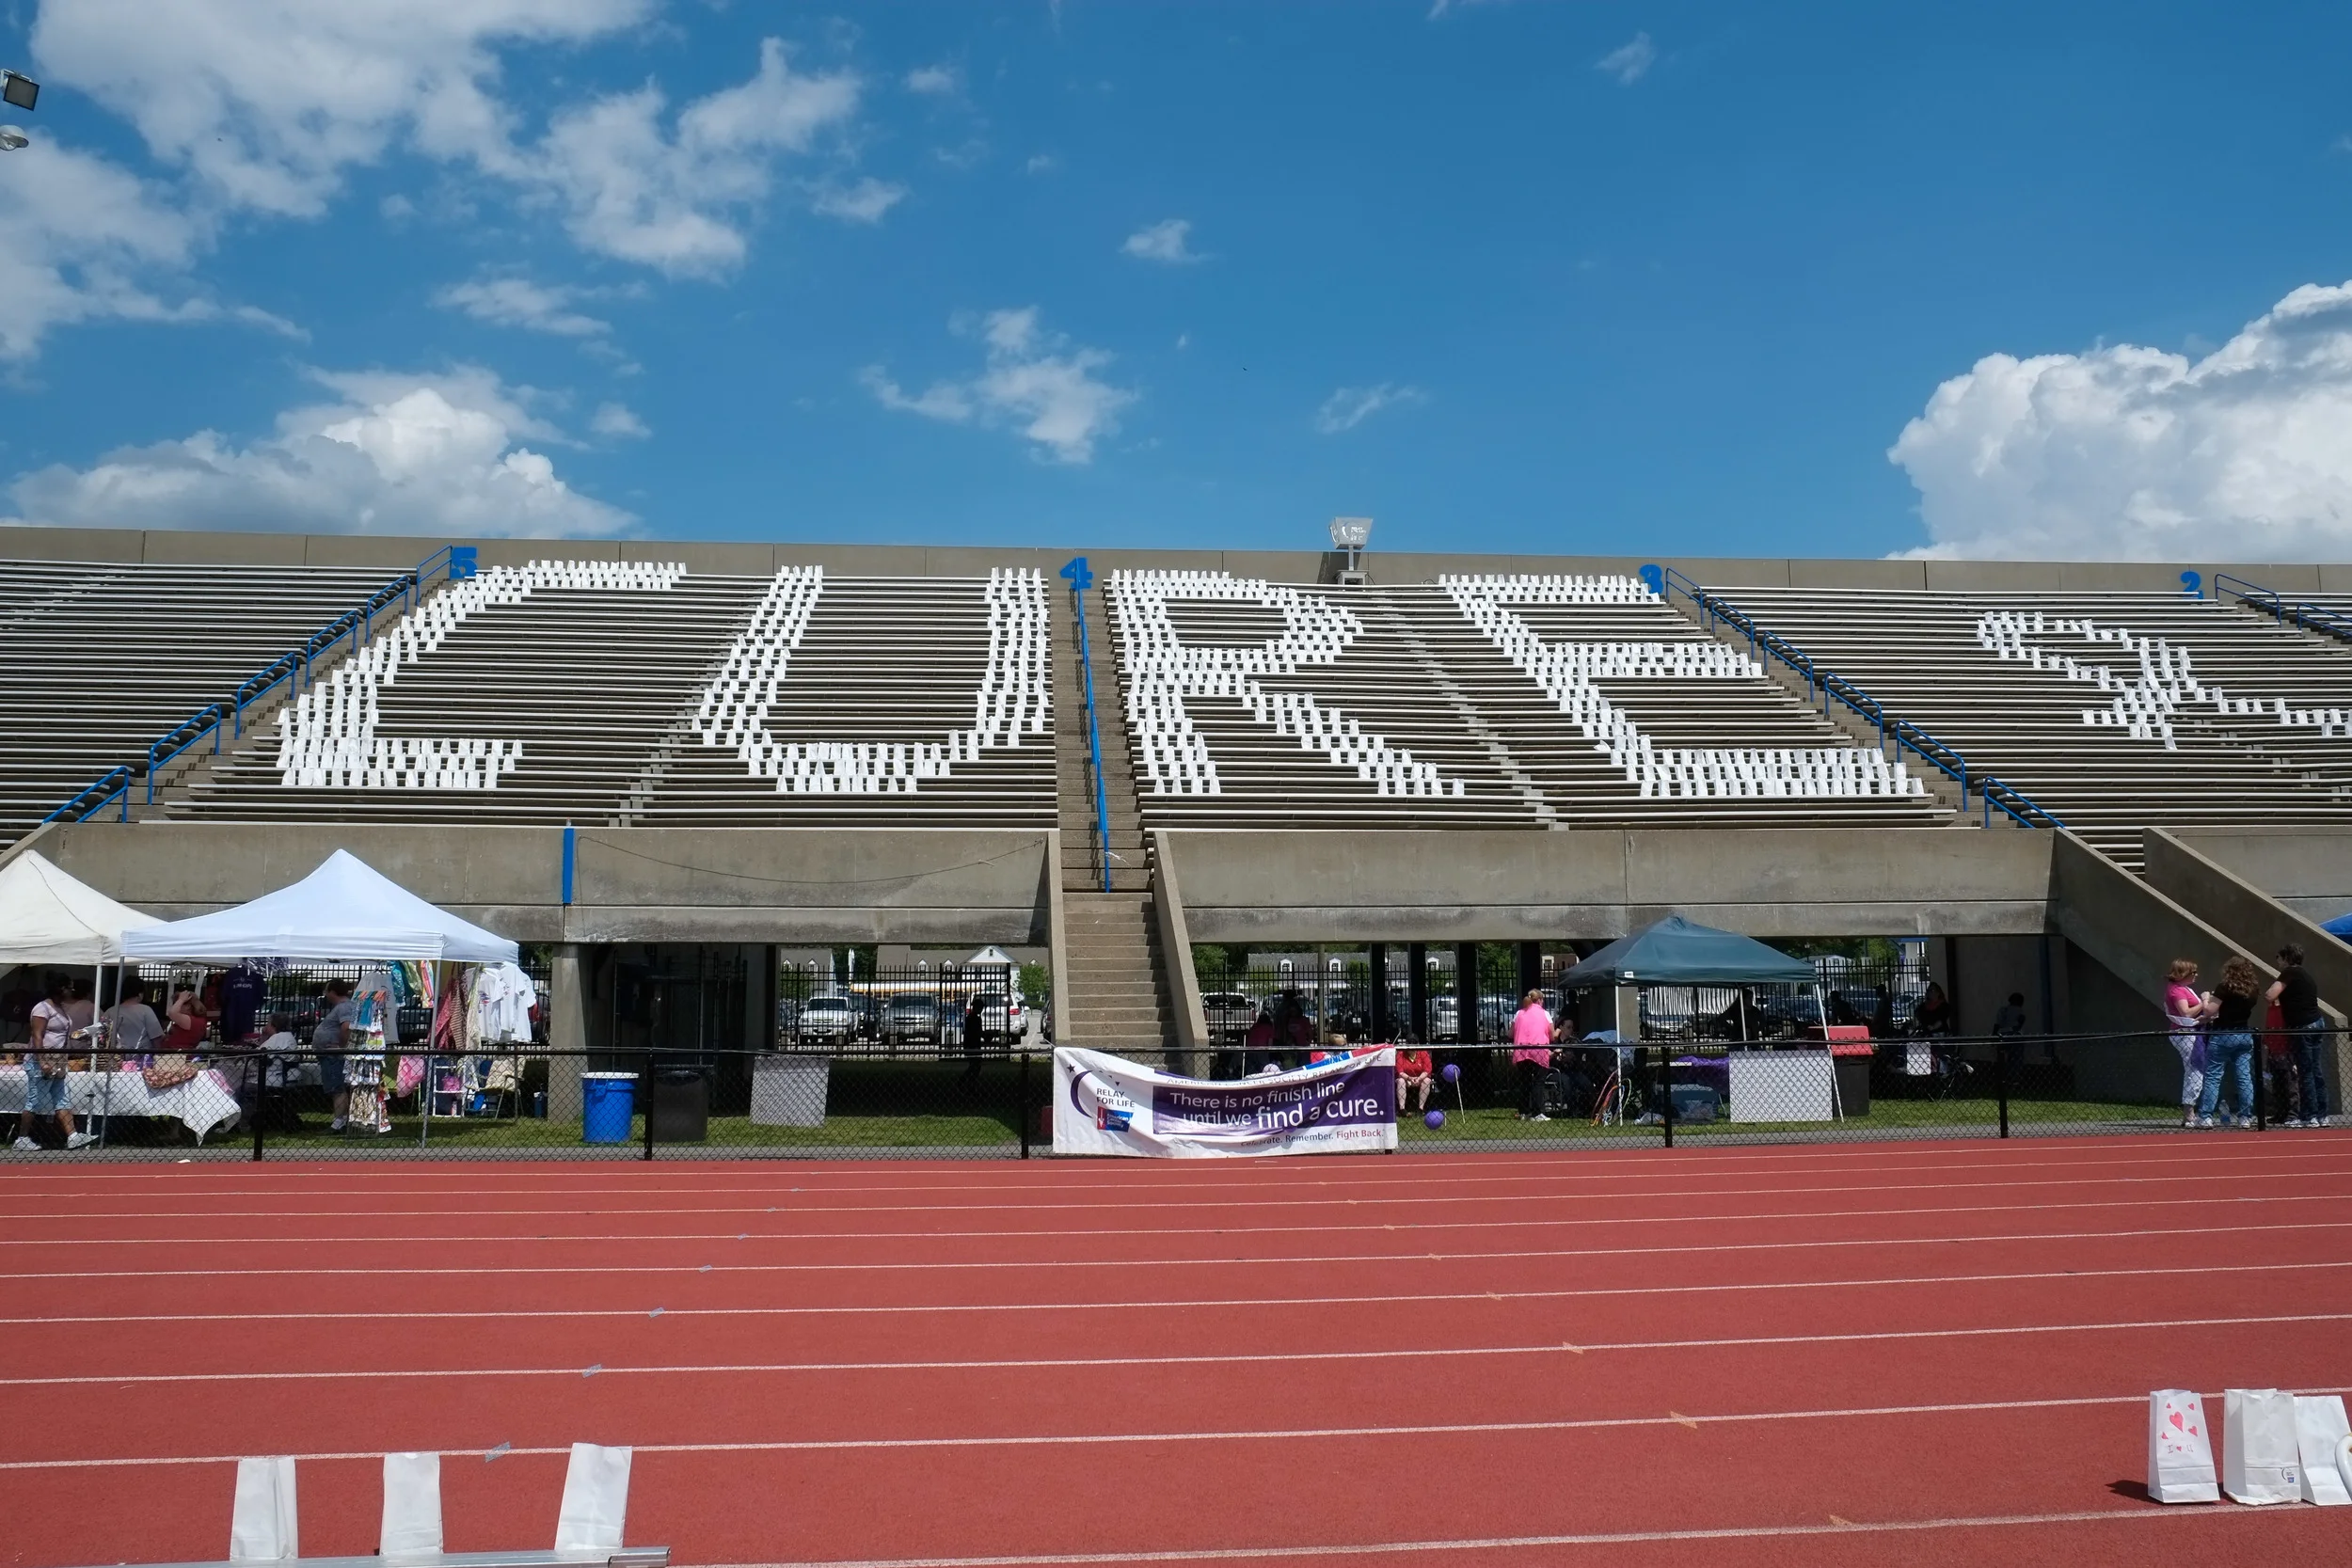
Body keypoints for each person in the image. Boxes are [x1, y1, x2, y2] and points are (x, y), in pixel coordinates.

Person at [15, 979, 94, 1150]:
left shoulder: (61, 1009)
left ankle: (73, 1136)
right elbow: (37, 1035)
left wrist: (82, 1035)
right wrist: (41, 1060)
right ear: (59, 989)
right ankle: (22, 1138)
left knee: (62, 1098)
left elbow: (61, 1033)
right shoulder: (42, 1008)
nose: (72, 991)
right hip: (42, 1060)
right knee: (34, 1100)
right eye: (69, 988)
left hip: (58, 1060)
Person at [2264, 943, 2330, 1128]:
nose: (2277, 962)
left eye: (2278, 958)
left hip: (2303, 1027)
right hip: (2317, 1022)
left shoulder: (2289, 973)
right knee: (2316, 1070)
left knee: (2305, 1071)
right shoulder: (2305, 975)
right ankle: (2323, 1114)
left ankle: (2310, 1115)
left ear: (2286, 958)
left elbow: (2270, 995)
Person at [2196, 957, 2261, 1129]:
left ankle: (2206, 1116)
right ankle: (2245, 1117)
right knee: (2244, 1077)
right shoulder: (2252, 989)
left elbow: (2210, 1010)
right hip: (2243, 1033)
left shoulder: (2224, 987)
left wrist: (2205, 999)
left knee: (2213, 1076)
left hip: (2223, 1033)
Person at [2162, 959, 2208, 1130]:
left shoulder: (2183, 989)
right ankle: (2189, 1113)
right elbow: (2186, 1012)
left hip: (2191, 1032)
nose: (2196, 975)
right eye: (2192, 973)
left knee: (2195, 1070)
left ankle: (2190, 1112)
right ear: (2183, 975)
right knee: (2195, 1070)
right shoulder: (2177, 992)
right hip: (2185, 1034)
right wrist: (2203, 1002)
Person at [311, 978, 358, 1132]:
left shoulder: (344, 1007)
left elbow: (346, 1027)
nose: (325, 994)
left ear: (333, 992)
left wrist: (341, 1047)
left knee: (337, 1088)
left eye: (327, 991)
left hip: (334, 1056)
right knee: (336, 1087)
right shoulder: (341, 1007)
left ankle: (339, 1123)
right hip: (329, 1055)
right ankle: (341, 1121)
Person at [1510, 990, 1556, 1122]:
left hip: (1521, 1050)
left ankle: (1524, 1112)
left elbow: (1510, 1033)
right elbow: (1552, 1035)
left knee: (1524, 1081)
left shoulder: (1519, 1013)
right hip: (1539, 1050)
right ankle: (1537, 1113)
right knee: (1538, 1082)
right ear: (1540, 1000)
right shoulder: (1545, 1014)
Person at [103, 979, 167, 1065]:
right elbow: (156, 1037)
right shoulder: (146, 1010)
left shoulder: (110, 1011)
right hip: (142, 1059)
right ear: (140, 994)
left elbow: (102, 1037)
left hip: (115, 1059)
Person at [1396, 1044, 1435, 1113]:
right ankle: (1402, 1109)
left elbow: (1427, 1070)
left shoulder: (1423, 1053)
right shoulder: (1401, 1054)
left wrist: (1419, 1078)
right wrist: (1409, 1078)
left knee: (1427, 1080)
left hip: (1420, 1078)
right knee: (1400, 1081)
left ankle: (1421, 1108)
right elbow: (1400, 1072)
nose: (1412, 1050)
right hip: (1406, 1078)